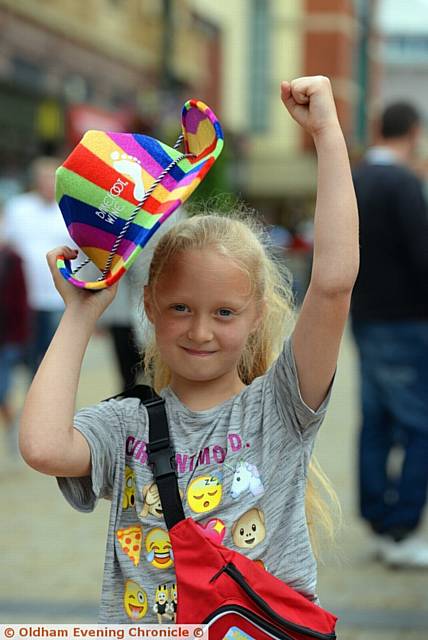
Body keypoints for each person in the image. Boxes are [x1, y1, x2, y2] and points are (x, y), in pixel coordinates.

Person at [19, 76, 359, 623]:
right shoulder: (126, 422)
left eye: (224, 312)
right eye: (180, 308)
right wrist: (81, 314)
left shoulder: (280, 407)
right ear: (149, 307)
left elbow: (333, 283)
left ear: (257, 318)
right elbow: (41, 447)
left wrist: (326, 134)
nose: (200, 330)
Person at [352, 102, 428, 568]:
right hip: (405, 320)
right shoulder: (403, 183)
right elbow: (422, 256)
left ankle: (379, 518)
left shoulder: (353, 178)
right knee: (419, 426)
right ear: (413, 131)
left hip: (363, 316)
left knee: (375, 422)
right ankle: (401, 528)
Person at [3, 157, 76, 375]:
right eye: (44, 179)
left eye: (52, 179)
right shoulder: (19, 207)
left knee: (53, 350)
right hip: (25, 294)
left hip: (58, 293)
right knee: (25, 350)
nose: (48, 184)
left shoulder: (69, 209)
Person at [0, 213, 29, 447]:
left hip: (6, 336)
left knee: (2, 388)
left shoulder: (12, 259)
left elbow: (20, 300)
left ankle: (12, 428)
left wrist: (20, 335)